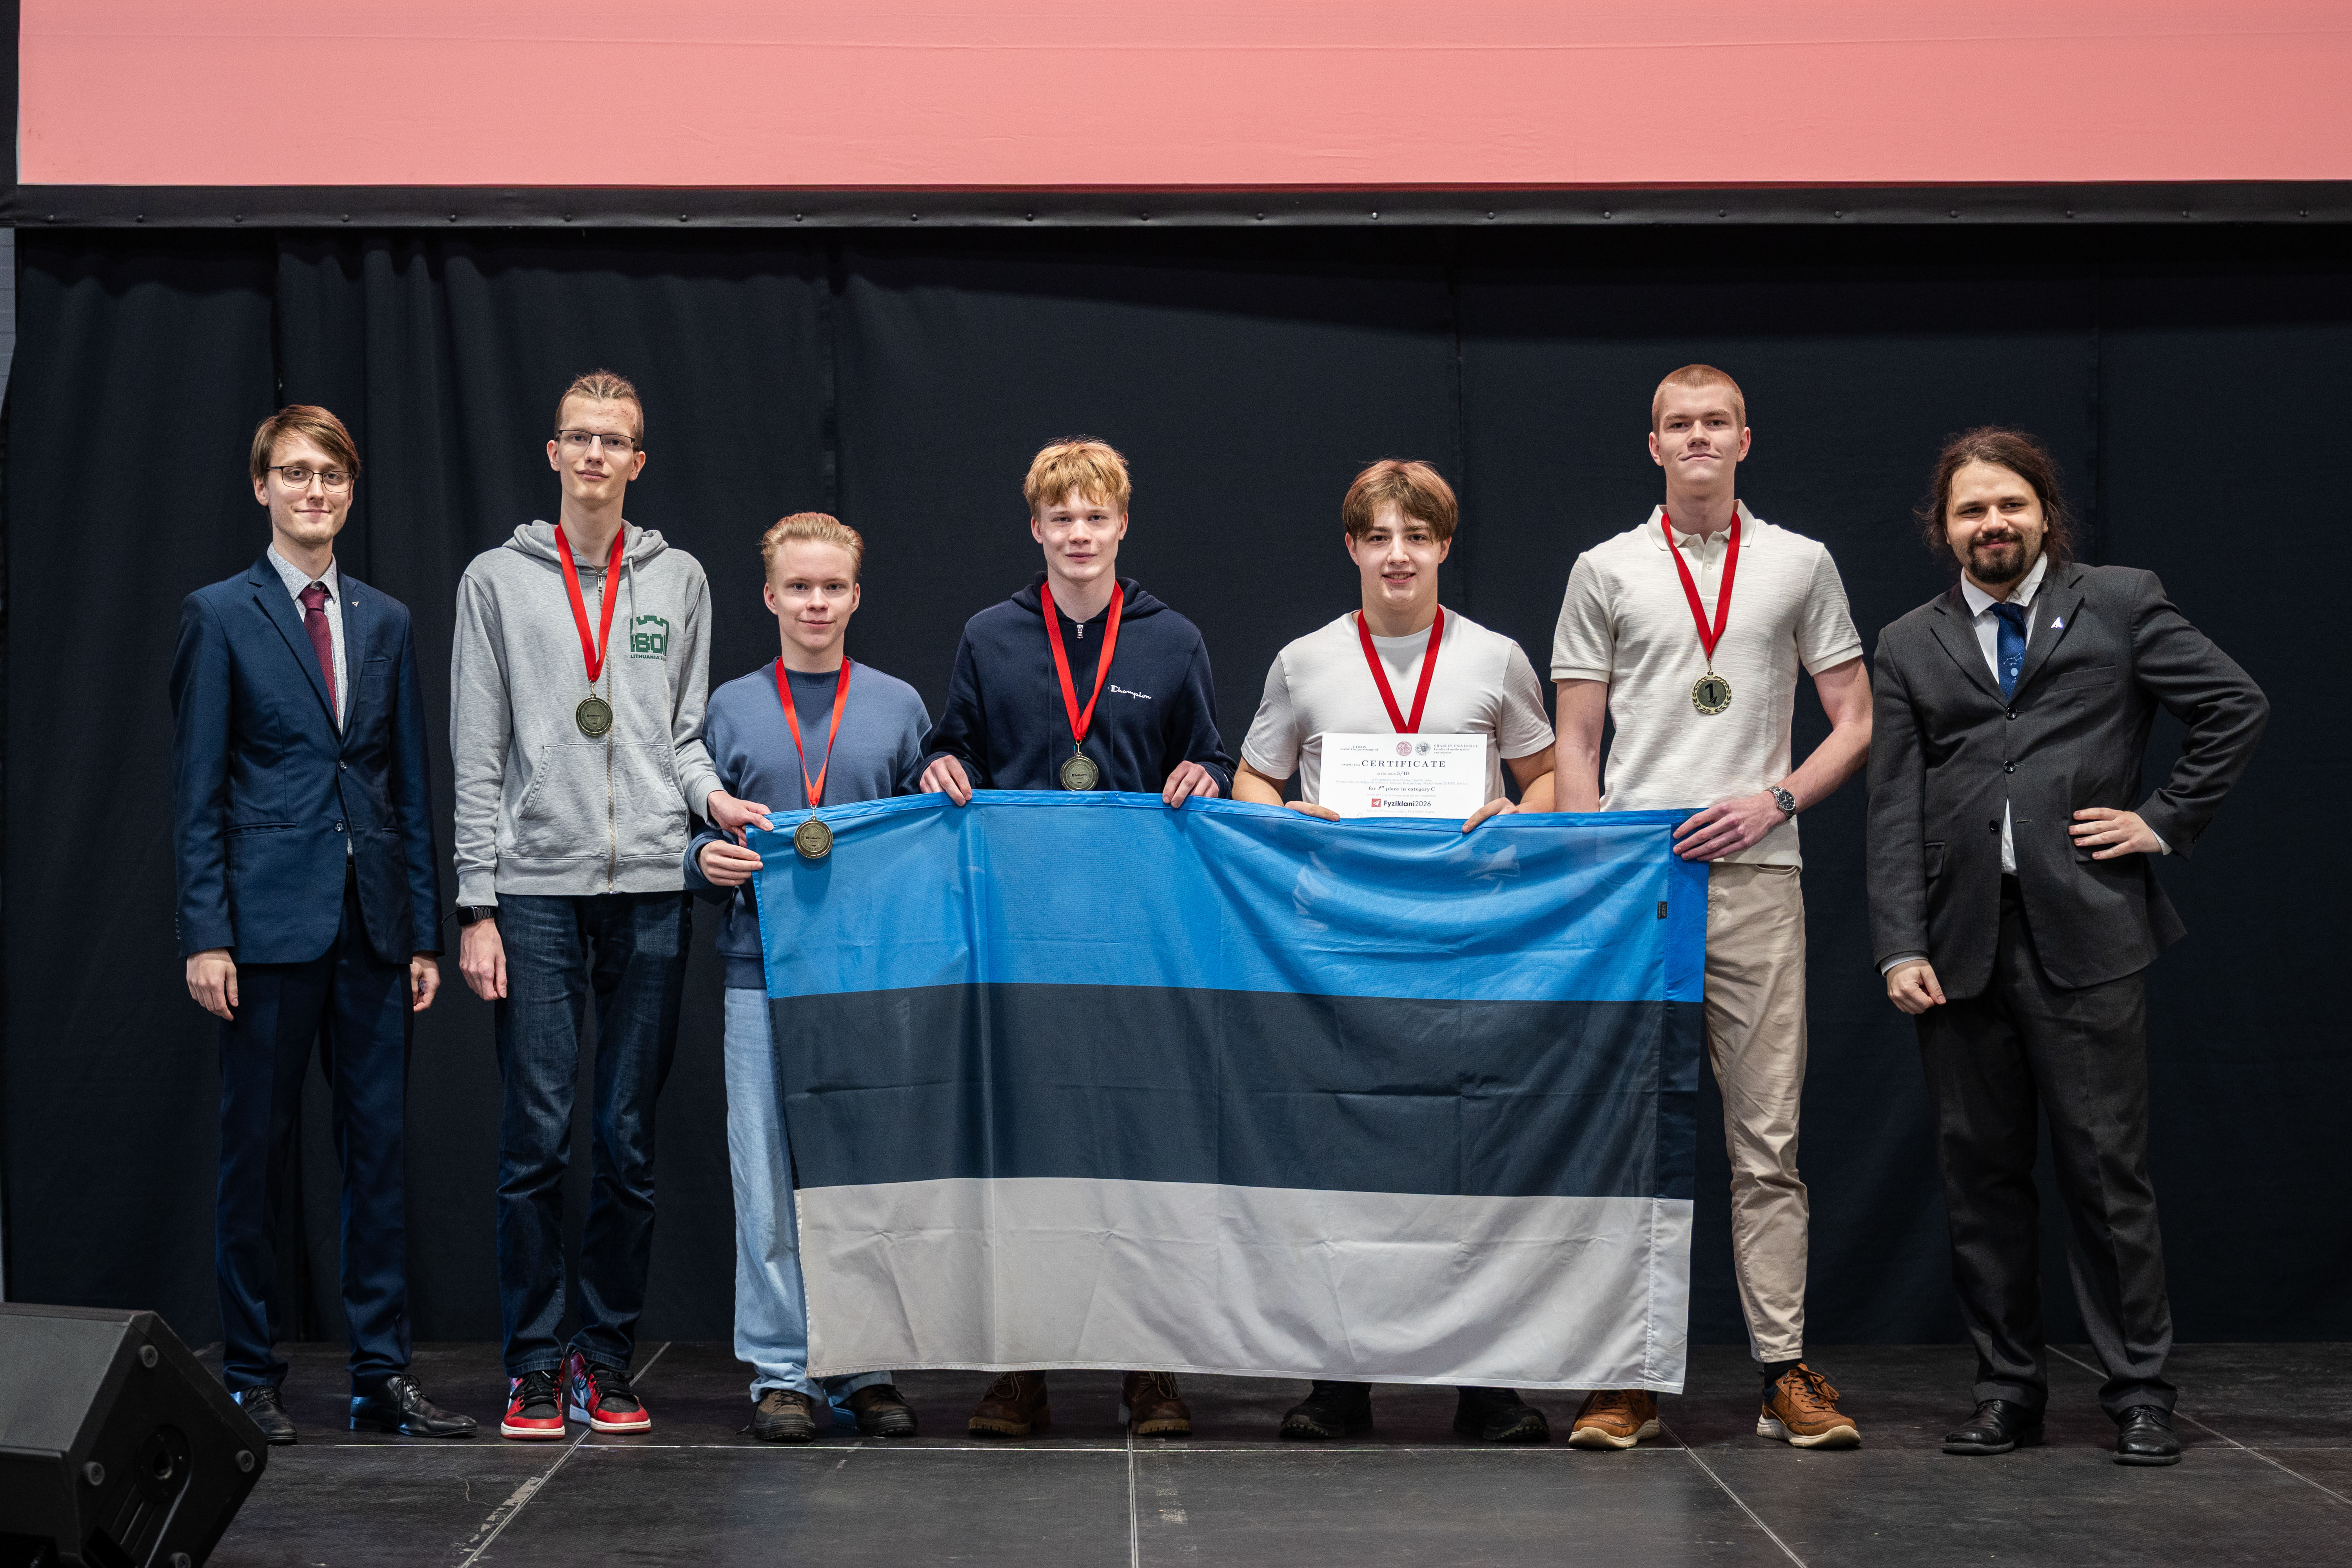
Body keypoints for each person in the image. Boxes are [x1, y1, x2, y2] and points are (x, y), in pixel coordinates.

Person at [1867, 428, 2266, 1466]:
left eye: (2009, 504)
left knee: (2105, 1174)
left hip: (2088, 932)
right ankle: (2008, 1391)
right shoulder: (1908, 640)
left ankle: (2140, 1394)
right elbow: (1894, 804)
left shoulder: (2121, 602)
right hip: (1957, 946)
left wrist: (2164, 819)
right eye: (1970, 509)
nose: (1991, 523)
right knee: (1981, 1182)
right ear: (1943, 527)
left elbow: (2234, 704)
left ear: (2045, 511)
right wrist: (1898, 943)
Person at [1550, 365, 1873, 1451]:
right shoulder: (1605, 568)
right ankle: (1625, 1376)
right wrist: (1594, 871)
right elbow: (1577, 739)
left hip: (1758, 878)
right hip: (1638, 885)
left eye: (1716, 422)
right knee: (1631, 1136)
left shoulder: (1799, 562)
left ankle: (1783, 1372)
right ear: (1654, 446)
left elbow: (1856, 719)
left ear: (1745, 438)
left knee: (1767, 1140)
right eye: (1679, 424)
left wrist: (1776, 799)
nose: (1698, 437)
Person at [450, 370, 763, 1440]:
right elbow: (478, 749)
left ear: (638, 460)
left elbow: (681, 738)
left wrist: (712, 802)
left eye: (614, 440)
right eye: (578, 437)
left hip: (652, 890)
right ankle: (534, 1365)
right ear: (553, 453)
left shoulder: (679, 578)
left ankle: (606, 1359)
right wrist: (475, 904)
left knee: (627, 1142)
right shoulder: (497, 579)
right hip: (534, 890)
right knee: (535, 1140)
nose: (595, 454)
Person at [1232, 458, 1558, 1443]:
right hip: (1341, 942)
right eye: (1378, 536)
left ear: (1444, 545)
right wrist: (1286, 817)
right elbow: (1253, 778)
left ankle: (1484, 1380)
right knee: (1343, 1156)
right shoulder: (1305, 661)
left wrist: (1519, 815)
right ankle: (1341, 1380)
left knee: (1470, 1156)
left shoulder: (1496, 657)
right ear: (1352, 547)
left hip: (1465, 941)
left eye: (1416, 536)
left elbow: (1548, 777)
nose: (1398, 554)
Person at [919, 436, 1234, 1439]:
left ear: (1122, 524)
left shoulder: (1173, 639)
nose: (1080, 533)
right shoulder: (991, 635)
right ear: (1037, 528)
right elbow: (953, 747)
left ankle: (1152, 1366)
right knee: (1028, 1147)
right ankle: (1023, 1367)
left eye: (1096, 516)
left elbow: (1212, 757)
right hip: (1023, 932)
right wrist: (938, 764)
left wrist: (1210, 774)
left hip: (1143, 937)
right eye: (1062, 518)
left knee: (1146, 1148)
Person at [171, 405, 473, 1443]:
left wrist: (424, 930)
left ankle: (381, 1375)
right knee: (254, 1160)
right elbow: (197, 789)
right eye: (296, 473)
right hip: (263, 929)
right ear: (262, 486)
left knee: (377, 1157)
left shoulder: (386, 620)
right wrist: (206, 933)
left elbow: (406, 780)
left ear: (351, 490)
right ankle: (249, 1375)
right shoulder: (219, 614)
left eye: (332, 475)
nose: (315, 490)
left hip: (375, 928)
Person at [686, 513, 932, 1444]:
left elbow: (927, 836)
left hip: (868, 978)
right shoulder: (730, 707)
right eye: (800, 587)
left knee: (865, 1172)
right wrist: (701, 859)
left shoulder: (900, 707)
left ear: (856, 596)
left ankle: (866, 1365)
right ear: (770, 596)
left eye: (833, 587)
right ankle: (782, 1371)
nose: (816, 602)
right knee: (765, 1176)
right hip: (760, 968)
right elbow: (692, 831)